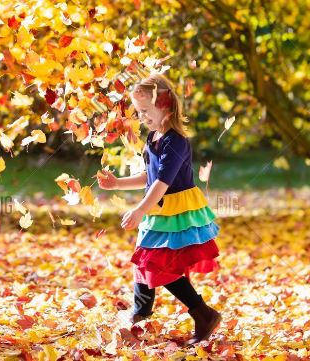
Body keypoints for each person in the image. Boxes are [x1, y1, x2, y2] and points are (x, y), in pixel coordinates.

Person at [98, 73, 221, 345]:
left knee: (155, 264)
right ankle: (140, 315)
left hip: (174, 212)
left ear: (165, 106)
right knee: (145, 262)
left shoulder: (175, 141)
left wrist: (140, 209)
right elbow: (149, 176)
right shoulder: (153, 137)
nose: (141, 117)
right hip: (158, 209)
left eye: (145, 111)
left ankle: (202, 314)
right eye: (139, 112)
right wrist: (117, 183)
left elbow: (163, 182)